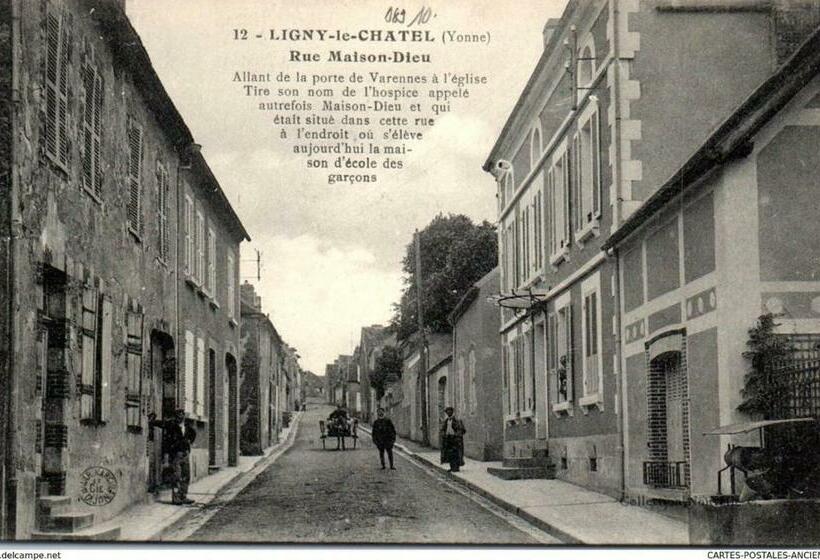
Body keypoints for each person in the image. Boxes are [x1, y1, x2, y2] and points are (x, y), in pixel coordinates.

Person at [148, 409, 196, 505]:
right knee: (176, 476)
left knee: (186, 476)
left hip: (185, 454)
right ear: (176, 417)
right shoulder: (172, 426)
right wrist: (152, 421)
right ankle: (176, 498)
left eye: (182, 415)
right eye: (178, 415)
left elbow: (193, 434)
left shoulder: (187, 427)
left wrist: (189, 444)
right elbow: (162, 424)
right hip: (175, 455)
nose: (180, 417)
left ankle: (183, 496)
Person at [439, 406, 466, 473]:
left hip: (455, 439)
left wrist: (457, 435)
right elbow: (442, 429)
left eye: (450, 411)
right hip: (448, 439)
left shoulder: (457, 420)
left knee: (456, 453)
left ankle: (456, 467)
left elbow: (462, 430)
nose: (448, 412)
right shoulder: (446, 421)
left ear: (452, 412)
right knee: (449, 454)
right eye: (447, 411)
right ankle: (451, 467)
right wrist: (443, 434)